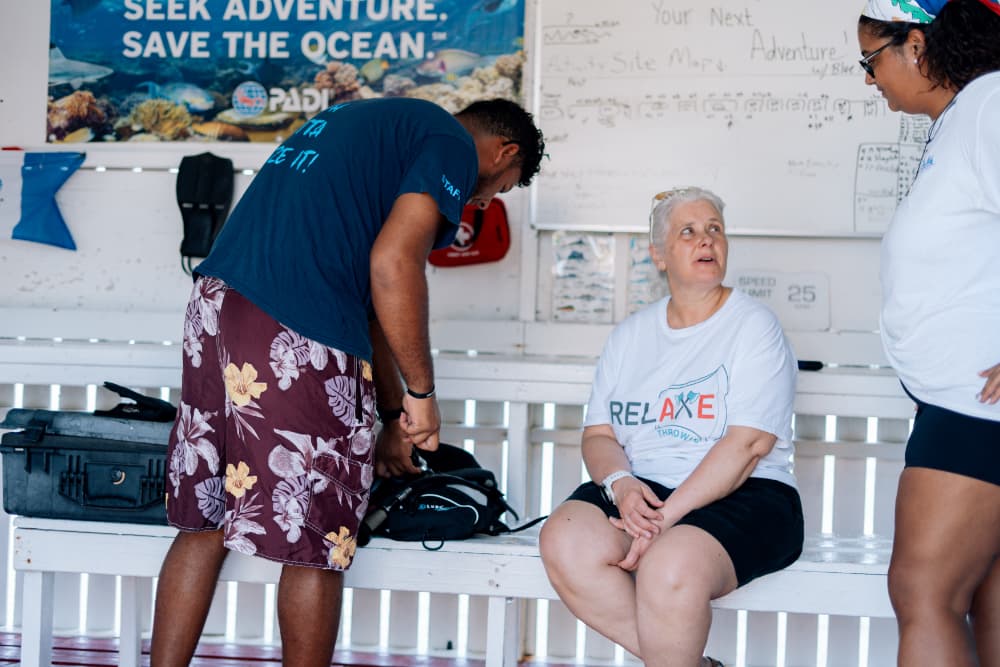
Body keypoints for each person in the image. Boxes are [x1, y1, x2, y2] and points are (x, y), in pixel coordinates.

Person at [150, 97, 545, 666]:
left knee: (203, 521)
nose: (482, 202)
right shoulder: (451, 146)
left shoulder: (369, 126)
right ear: (504, 152)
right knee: (316, 543)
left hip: (217, 307)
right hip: (292, 329)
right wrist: (423, 396)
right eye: (500, 188)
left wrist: (392, 416)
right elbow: (393, 266)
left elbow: (370, 303)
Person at [539, 187, 803, 667]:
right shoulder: (630, 336)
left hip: (748, 492)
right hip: (648, 488)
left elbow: (748, 445)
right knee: (566, 538)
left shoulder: (753, 325)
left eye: (714, 230)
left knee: (668, 565)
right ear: (658, 255)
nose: (706, 241)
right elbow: (599, 435)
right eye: (689, 232)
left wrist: (662, 519)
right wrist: (622, 486)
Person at [855, 1, 1000, 664]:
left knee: (924, 589)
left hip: (975, 408)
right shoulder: (964, 116)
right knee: (985, 600)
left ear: (916, 44)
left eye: (871, 59)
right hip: (964, 404)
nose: (868, 78)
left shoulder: (992, 103)